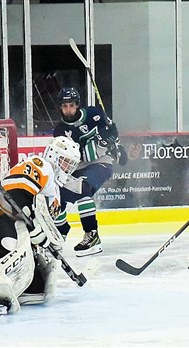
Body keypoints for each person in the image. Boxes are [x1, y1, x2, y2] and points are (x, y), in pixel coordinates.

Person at [0, 136, 81, 315]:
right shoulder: (41, 164)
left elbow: (46, 223)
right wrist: (32, 224)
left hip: (4, 225)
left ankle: (17, 288)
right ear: (54, 156)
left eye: (70, 164)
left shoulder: (54, 191)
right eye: (65, 162)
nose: (67, 168)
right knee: (16, 250)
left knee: (35, 284)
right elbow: (16, 190)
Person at [53, 87, 127, 257]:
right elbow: (73, 155)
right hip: (77, 166)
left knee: (83, 187)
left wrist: (116, 146)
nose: (68, 109)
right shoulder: (60, 130)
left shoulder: (95, 113)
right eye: (65, 106)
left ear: (77, 105)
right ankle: (60, 232)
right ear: (60, 107)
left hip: (101, 163)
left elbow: (112, 130)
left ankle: (91, 235)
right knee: (57, 197)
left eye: (71, 105)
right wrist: (98, 144)